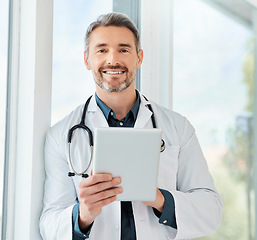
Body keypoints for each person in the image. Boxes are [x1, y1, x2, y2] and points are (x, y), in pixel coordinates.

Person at [40, 12, 222, 240]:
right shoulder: (61, 135)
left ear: (139, 58)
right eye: (102, 50)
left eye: (124, 49)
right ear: (87, 59)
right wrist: (83, 214)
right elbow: (49, 225)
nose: (113, 60)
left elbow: (211, 210)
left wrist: (158, 199)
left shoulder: (178, 127)